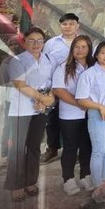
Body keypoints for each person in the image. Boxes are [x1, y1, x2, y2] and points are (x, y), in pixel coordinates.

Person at [0, 28, 52, 201]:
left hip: (39, 110)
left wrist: (46, 99)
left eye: (40, 41)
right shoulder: (17, 61)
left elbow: (50, 83)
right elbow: (20, 84)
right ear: (25, 42)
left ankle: (30, 181)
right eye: (32, 40)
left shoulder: (47, 60)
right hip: (21, 110)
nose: (36, 44)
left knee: (34, 146)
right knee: (17, 148)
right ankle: (15, 185)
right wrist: (41, 97)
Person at [68, 41, 105, 204]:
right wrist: (100, 106)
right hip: (97, 111)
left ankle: (104, 181)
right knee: (98, 150)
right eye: (103, 53)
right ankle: (97, 185)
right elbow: (81, 99)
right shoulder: (89, 74)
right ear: (96, 55)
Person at [48, 34, 95, 195]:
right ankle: (68, 179)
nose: (80, 50)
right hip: (70, 115)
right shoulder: (63, 67)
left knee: (86, 147)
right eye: (76, 47)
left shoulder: (94, 67)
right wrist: (79, 103)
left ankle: (85, 175)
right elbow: (59, 90)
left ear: (89, 49)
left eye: (83, 47)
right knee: (70, 148)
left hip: (90, 115)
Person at [38, 13, 84, 164]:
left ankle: (78, 150)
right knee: (52, 119)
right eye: (64, 24)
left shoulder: (83, 42)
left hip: (78, 87)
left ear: (78, 26)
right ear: (60, 26)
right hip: (54, 87)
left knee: (79, 120)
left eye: (71, 24)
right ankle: (52, 148)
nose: (68, 27)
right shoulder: (51, 44)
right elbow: (44, 64)